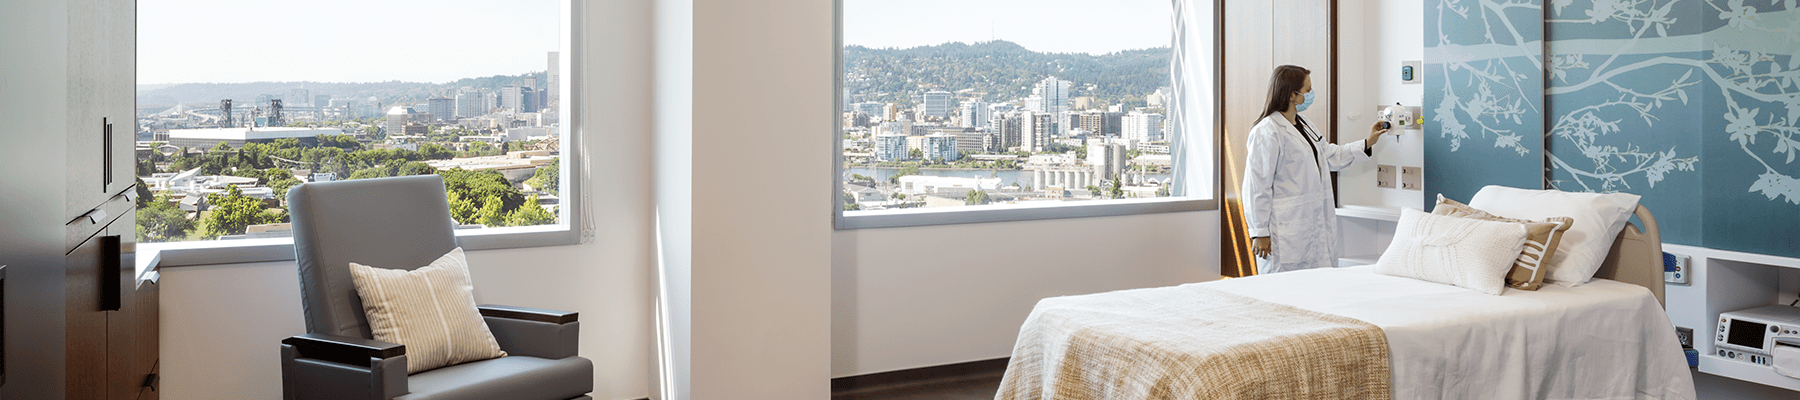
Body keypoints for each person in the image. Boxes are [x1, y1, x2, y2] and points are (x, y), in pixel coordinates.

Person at [1242, 65, 1388, 274]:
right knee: (1284, 290)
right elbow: (1257, 186)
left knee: (1316, 285)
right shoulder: (1267, 131)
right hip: (1284, 229)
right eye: (1308, 90)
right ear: (1293, 94)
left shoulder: (1303, 124)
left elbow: (1329, 156)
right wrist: (1259, 232)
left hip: (1312, 223)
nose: (1311, 94)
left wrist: (1367, 142)